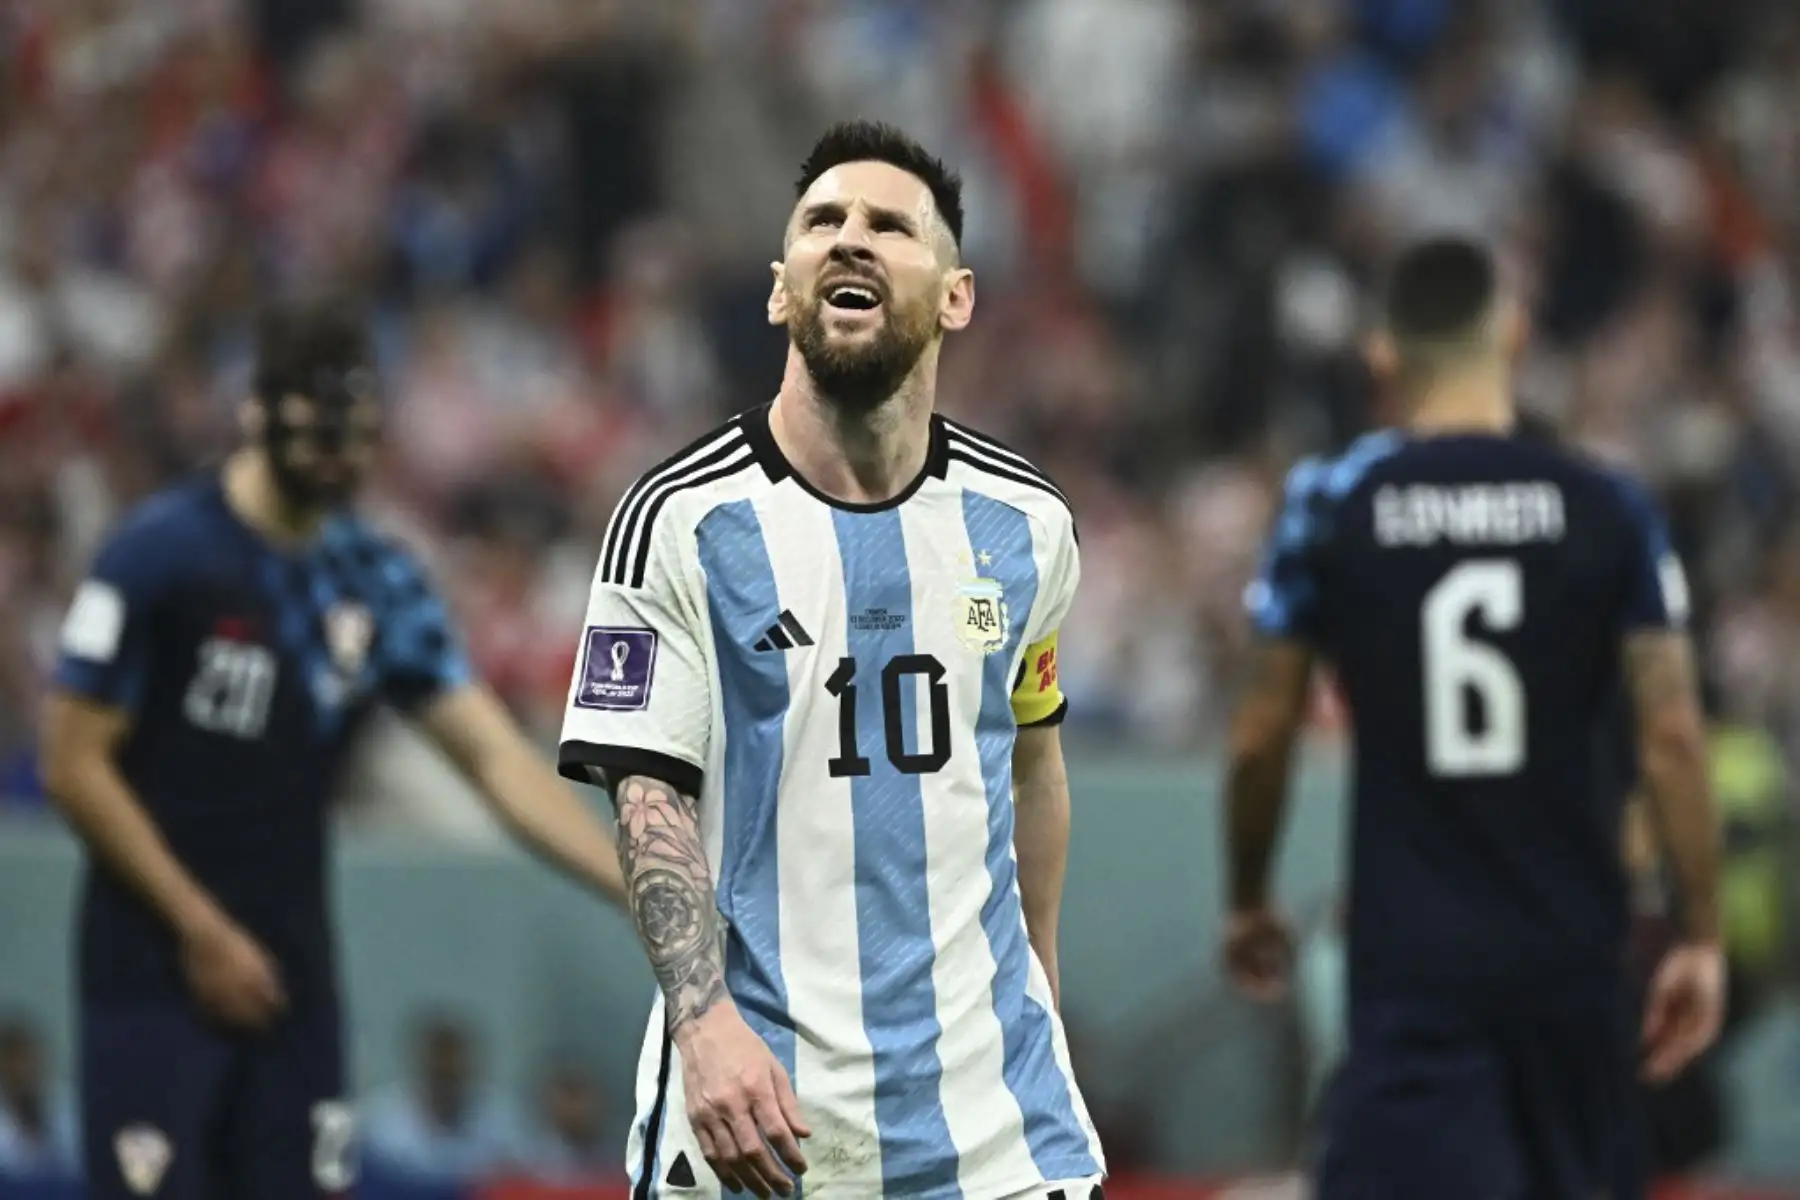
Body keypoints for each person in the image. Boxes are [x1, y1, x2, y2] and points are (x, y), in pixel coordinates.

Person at [557, 120, 1104, 1200]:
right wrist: (703, 1024)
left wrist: (1037, 986)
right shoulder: (679, 519)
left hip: (996, 1132)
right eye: (823, 222)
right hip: (762, 1124)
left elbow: (1032, 763)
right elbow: (647, 794)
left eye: (890, 226)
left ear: (954, 295)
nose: (850, 239)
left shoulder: (1026, 524)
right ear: (780, 290)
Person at [40, 305, 628, 1200]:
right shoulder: (160, 557)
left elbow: (494, 760)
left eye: (356, 437)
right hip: (152, 967)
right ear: (259, 414)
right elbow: (73, 764)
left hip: (290, 969)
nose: (338, 459)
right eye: (319, 433)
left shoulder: (373, 578)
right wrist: (201, 930)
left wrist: (635, 888)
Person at [1221, 236, 1724, 1200]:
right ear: (1516, 335)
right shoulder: (1609, 506)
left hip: (1418, 964)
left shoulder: (1333, 506)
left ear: (1382, 356)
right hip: (1574, 960)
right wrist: (1698, 936)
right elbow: (1670, 735)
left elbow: (1259, 731)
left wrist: (1248, 893)